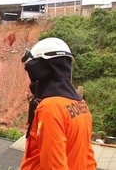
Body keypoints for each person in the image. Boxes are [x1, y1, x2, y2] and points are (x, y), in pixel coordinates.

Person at [20, 37, 97, 170]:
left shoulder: (50, 108)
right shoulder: (81, 105)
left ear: (41, 70)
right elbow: (88, 157)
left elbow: (54, 166)